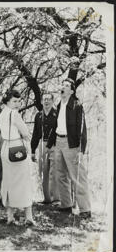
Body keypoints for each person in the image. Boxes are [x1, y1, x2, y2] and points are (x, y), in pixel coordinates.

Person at [47, 78, 91, 219]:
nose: (63, 87)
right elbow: (55, 126)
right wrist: (50, 145)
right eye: (62, 85)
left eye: (66, 86)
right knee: (60, 175)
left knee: (77, 176)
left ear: (72, 91)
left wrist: (81, 149)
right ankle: (66, 205)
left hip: (71, 144)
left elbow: (83, 129)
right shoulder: (60, 104)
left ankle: (85, 209)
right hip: (58, 141)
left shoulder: (77, 105)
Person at [0, 89, 34, 226]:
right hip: (16, 147)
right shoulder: (14, 114)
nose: (17, 104)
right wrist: (25, 135)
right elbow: (25, 133)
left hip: (5, 148)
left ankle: (10, 216)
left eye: (18, 101)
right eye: (14, 101)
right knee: (24, 181)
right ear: (7, 101)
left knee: (8, 181)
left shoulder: (2, 113)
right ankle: (29, 217)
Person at [31, 93, 60, 204]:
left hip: (55, 144)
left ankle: (55, 199)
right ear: (42, 101)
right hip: (42, 144)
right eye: (44, 99)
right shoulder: (38, 116)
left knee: (54, 171)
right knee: (43, 171)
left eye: (48, 99)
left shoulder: (57, 114)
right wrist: (33, 151)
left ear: (52, 101)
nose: (46, 101)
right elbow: (35, 134)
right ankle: (47, 198)